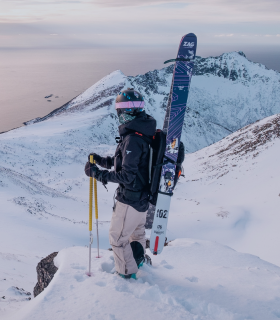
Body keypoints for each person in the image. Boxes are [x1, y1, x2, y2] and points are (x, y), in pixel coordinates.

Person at [84, 88, 156, 279]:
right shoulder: (143, 132)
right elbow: (129, 164)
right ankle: (138, 261)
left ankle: (126, 274)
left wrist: (98, 174)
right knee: (137, 232)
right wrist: (101, 161)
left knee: (117, 239)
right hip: (142, 198)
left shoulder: (132, 138)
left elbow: (127, 176)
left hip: (130, 199)